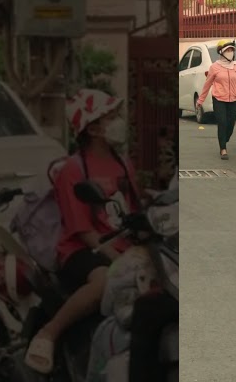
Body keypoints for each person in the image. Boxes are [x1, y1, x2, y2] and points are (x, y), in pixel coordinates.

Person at [27, 88, 145, 374]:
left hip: (122, 247)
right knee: (105, 280)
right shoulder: (73, 170)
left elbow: (136, 213)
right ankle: (49, 333)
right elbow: (82, 230)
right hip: (81, 250)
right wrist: (116, 260)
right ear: (93, 128)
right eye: (111, 116)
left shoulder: (123, 163)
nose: (119, 120)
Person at [197, 39, 236, 160]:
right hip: (219, 99)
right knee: (222, 122)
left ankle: (224, 139)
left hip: (232, 99)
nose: (230, 52)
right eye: (228, 50)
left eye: (232, 50)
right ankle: (223, 148)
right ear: (221, 52)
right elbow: (207, 85)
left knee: (231, 124)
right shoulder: (214, 67)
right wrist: (200, 101)